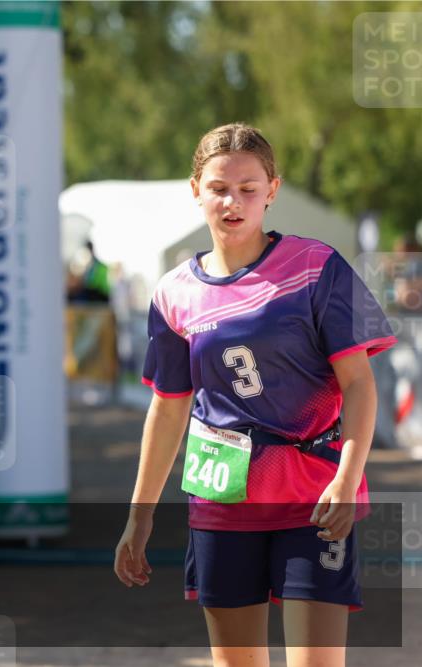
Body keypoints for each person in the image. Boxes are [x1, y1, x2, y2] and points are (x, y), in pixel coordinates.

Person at [114, 123, 396, 666]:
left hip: (313, 497)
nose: (233, 202)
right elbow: (169, 408)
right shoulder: (174, 293)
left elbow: (359, 383)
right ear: (195, 191)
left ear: (272, 190)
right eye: (219, 188)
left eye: (248, 188)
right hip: (221, 498)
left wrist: (347, 477)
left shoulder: (316, 267)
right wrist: (140, 513)